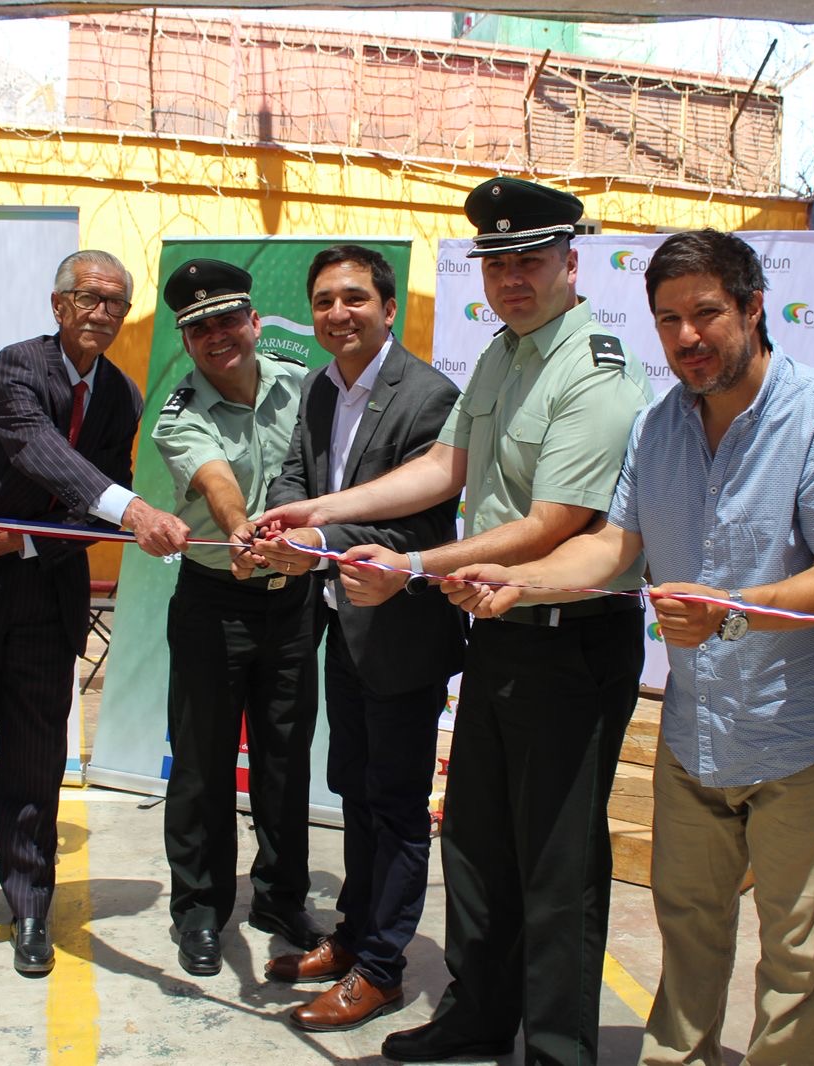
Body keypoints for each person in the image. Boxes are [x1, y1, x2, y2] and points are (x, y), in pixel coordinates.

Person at [448, 229, 814, 1066]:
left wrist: (734, 610)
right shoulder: (658, 428)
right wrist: (522, 583)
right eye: (667, 320)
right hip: (699, 734)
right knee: (689, 939)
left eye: (707, 314)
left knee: (796, 960)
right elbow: (614, 547)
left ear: (754, 308)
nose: (687, 337)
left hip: (807, 738)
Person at [257, 178, 652, 1064]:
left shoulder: (594, 366)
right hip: (500, 629)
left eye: (530, 259)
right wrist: (314, 512)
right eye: (497, 261)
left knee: (556, 866)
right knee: (475, 842)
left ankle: (555, 1050)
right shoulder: (504, 356)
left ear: (569, 262)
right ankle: (479, 1016)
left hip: (570, 633)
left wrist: (412, 566)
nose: (512, 277)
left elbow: (553, 522)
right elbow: (444, 470)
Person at [0, 250, 187, 978]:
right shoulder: (19, 367)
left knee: (35, 760)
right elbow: (38, 451)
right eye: (90, 298)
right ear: (59, 306)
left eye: (117, 303)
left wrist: (38, 533)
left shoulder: (120, 392)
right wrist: (129, 507)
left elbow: (96, 505)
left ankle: (30, 906)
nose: (104, 314)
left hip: (45, 594)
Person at [246, 245, 464, 1031]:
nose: (338, 314)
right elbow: (298, 479)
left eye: (355, 299)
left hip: (402, 631)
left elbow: (423, 522)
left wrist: (317, 537)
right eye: (325, 301)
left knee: (398, 804)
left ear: (389, 306)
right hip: (339, 621)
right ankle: (352, 936)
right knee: (354, 789)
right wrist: (281, 521)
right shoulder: (317, 388)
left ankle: (381, 969)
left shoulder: (431, 397)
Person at [150, 258, 320, 979]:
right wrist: (243, 530)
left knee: (285, 761)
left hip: (293, 605)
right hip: (214, 600)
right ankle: (198, 908)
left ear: (253, 322)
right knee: (203, 764)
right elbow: (216, 481)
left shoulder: (306, 386)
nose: (216, 336)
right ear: (186, 343)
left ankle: (281, 897)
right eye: (198, 328)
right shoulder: (178, 413)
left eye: (226, 320)